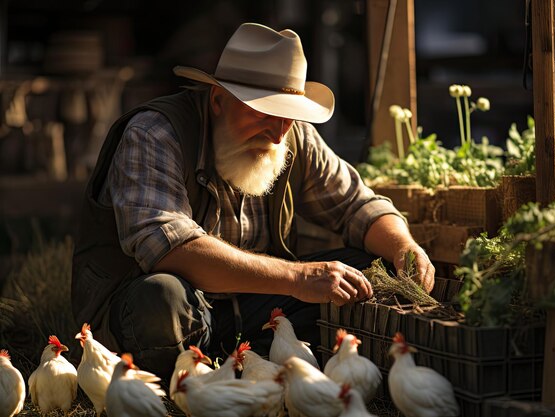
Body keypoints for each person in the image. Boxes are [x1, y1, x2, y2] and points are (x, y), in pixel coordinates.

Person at [71, 22, 435, 380]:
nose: (278, 133)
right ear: (218, 100)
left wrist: (404, 246)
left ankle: (255, 367)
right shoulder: (156, 134)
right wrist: (297, 277)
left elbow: (358, 206)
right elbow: (167, 247)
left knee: (368, 268)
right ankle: (193, 378)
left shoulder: (292, 137)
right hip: (171, 312)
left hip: (255, 308)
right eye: (264, 113)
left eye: (288, 117)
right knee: (160, 296)